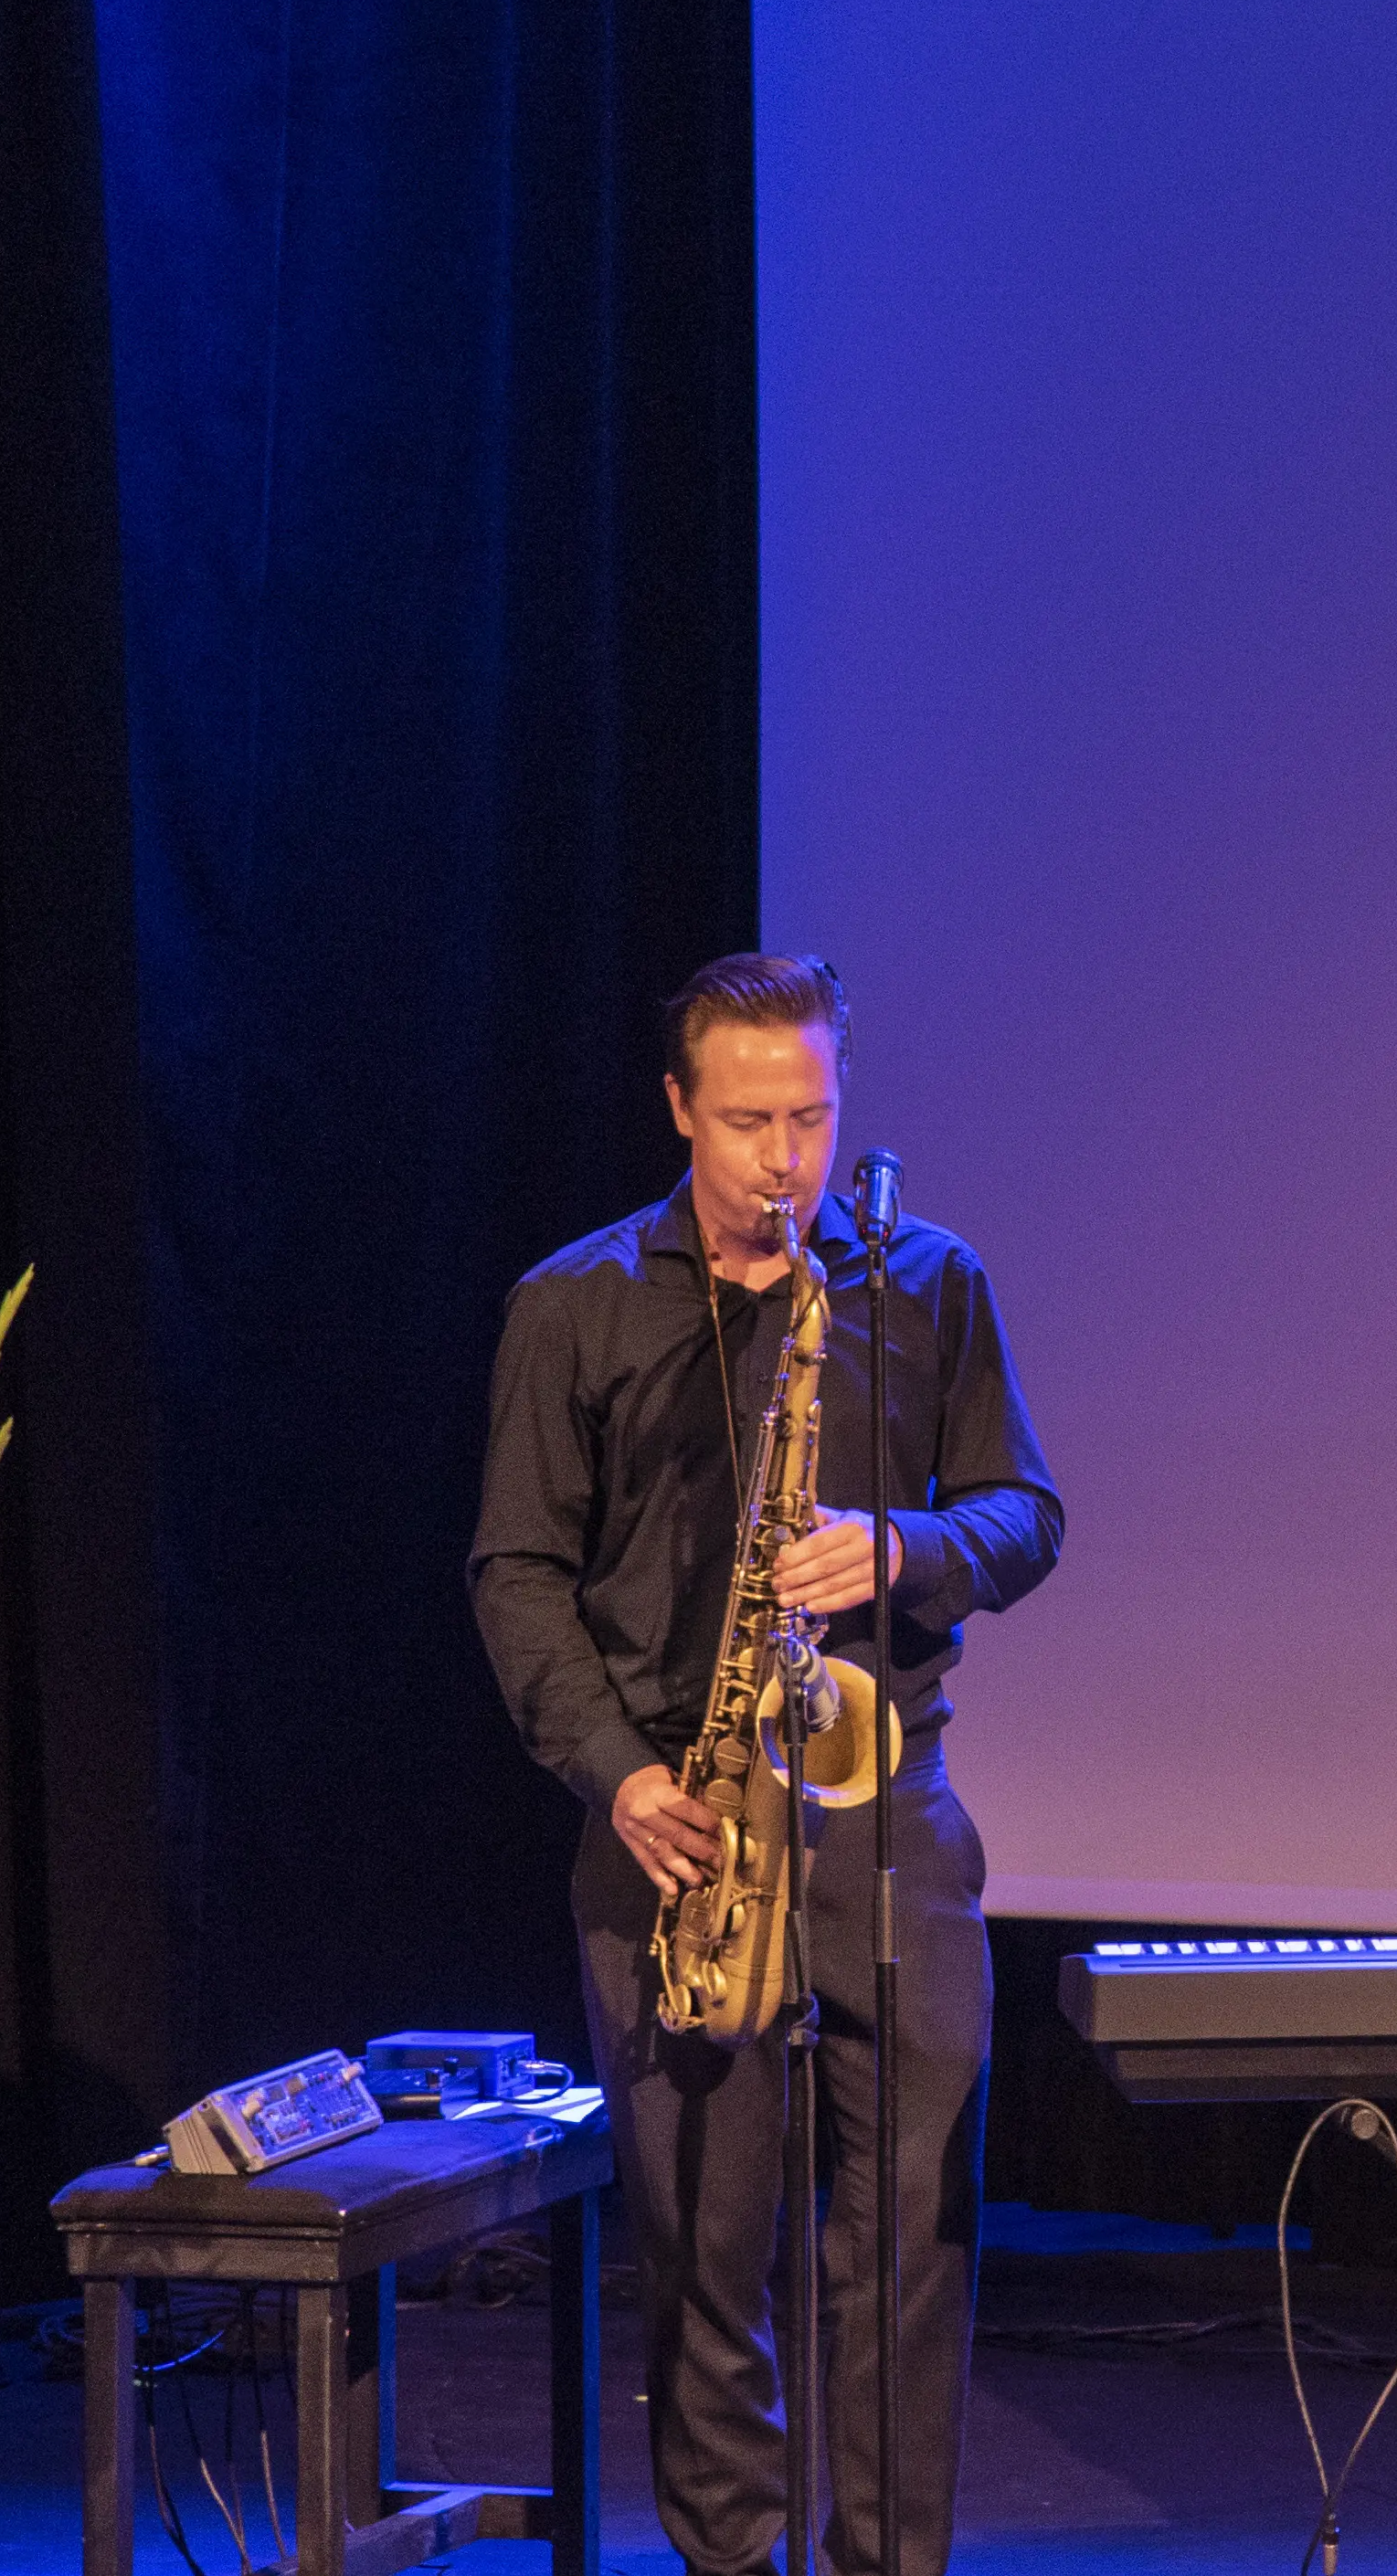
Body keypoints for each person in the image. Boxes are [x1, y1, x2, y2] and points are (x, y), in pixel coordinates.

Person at [469, 953, 1062, 2576]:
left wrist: (904, 1543)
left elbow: (1027, 1517)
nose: (783, 1158)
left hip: (884, 1822)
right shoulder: (577, 1305)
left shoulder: (920, 1279)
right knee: (706, 2259)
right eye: (747, 1121)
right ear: (679, 1111)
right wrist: (616, 1771)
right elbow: (515, 1572)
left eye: (809, 1115)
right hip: (677, 1822)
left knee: (909, 2247)